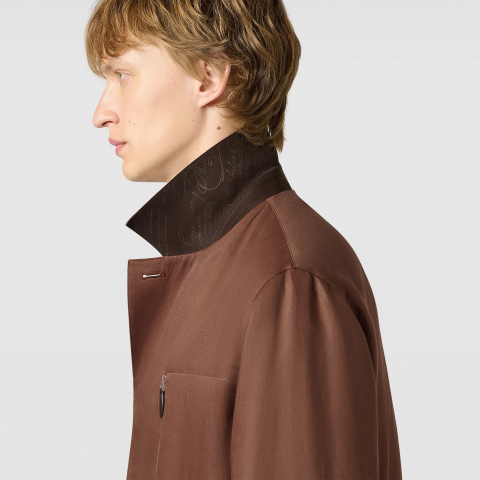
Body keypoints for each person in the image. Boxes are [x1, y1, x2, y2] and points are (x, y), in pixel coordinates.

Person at [85, 0, 402, 478]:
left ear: (209, 78)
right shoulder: (218, 260)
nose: (101, 113)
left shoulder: (288, 279)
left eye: (123, 75)